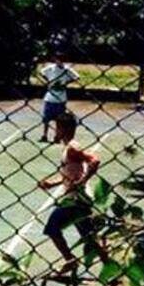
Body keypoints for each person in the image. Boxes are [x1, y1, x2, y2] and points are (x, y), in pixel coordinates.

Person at [38, 111, 101, 274]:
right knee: (89, 237)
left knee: (52, 228)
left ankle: (70, 260)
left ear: (62, 129)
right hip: (77, 198)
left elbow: (94, 160)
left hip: (75, 199)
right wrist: (52, 183)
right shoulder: (68, 147)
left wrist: (82, 181)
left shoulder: (72, 148)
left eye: (56, 128)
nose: (55, 132)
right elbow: (72, 173)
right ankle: (110, 266)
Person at [39, 47, 80, 142]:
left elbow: (77, 77)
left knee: (59, 119)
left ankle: (57, 136)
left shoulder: (67, 69)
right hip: (50, 97)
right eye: (57, 59)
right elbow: (42, 72)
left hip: (61, 98)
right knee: (46, 119)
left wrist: (66, 83)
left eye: (61, 59)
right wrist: (48, 80)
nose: (59, 61)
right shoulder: (51, 68)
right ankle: (44, 135)